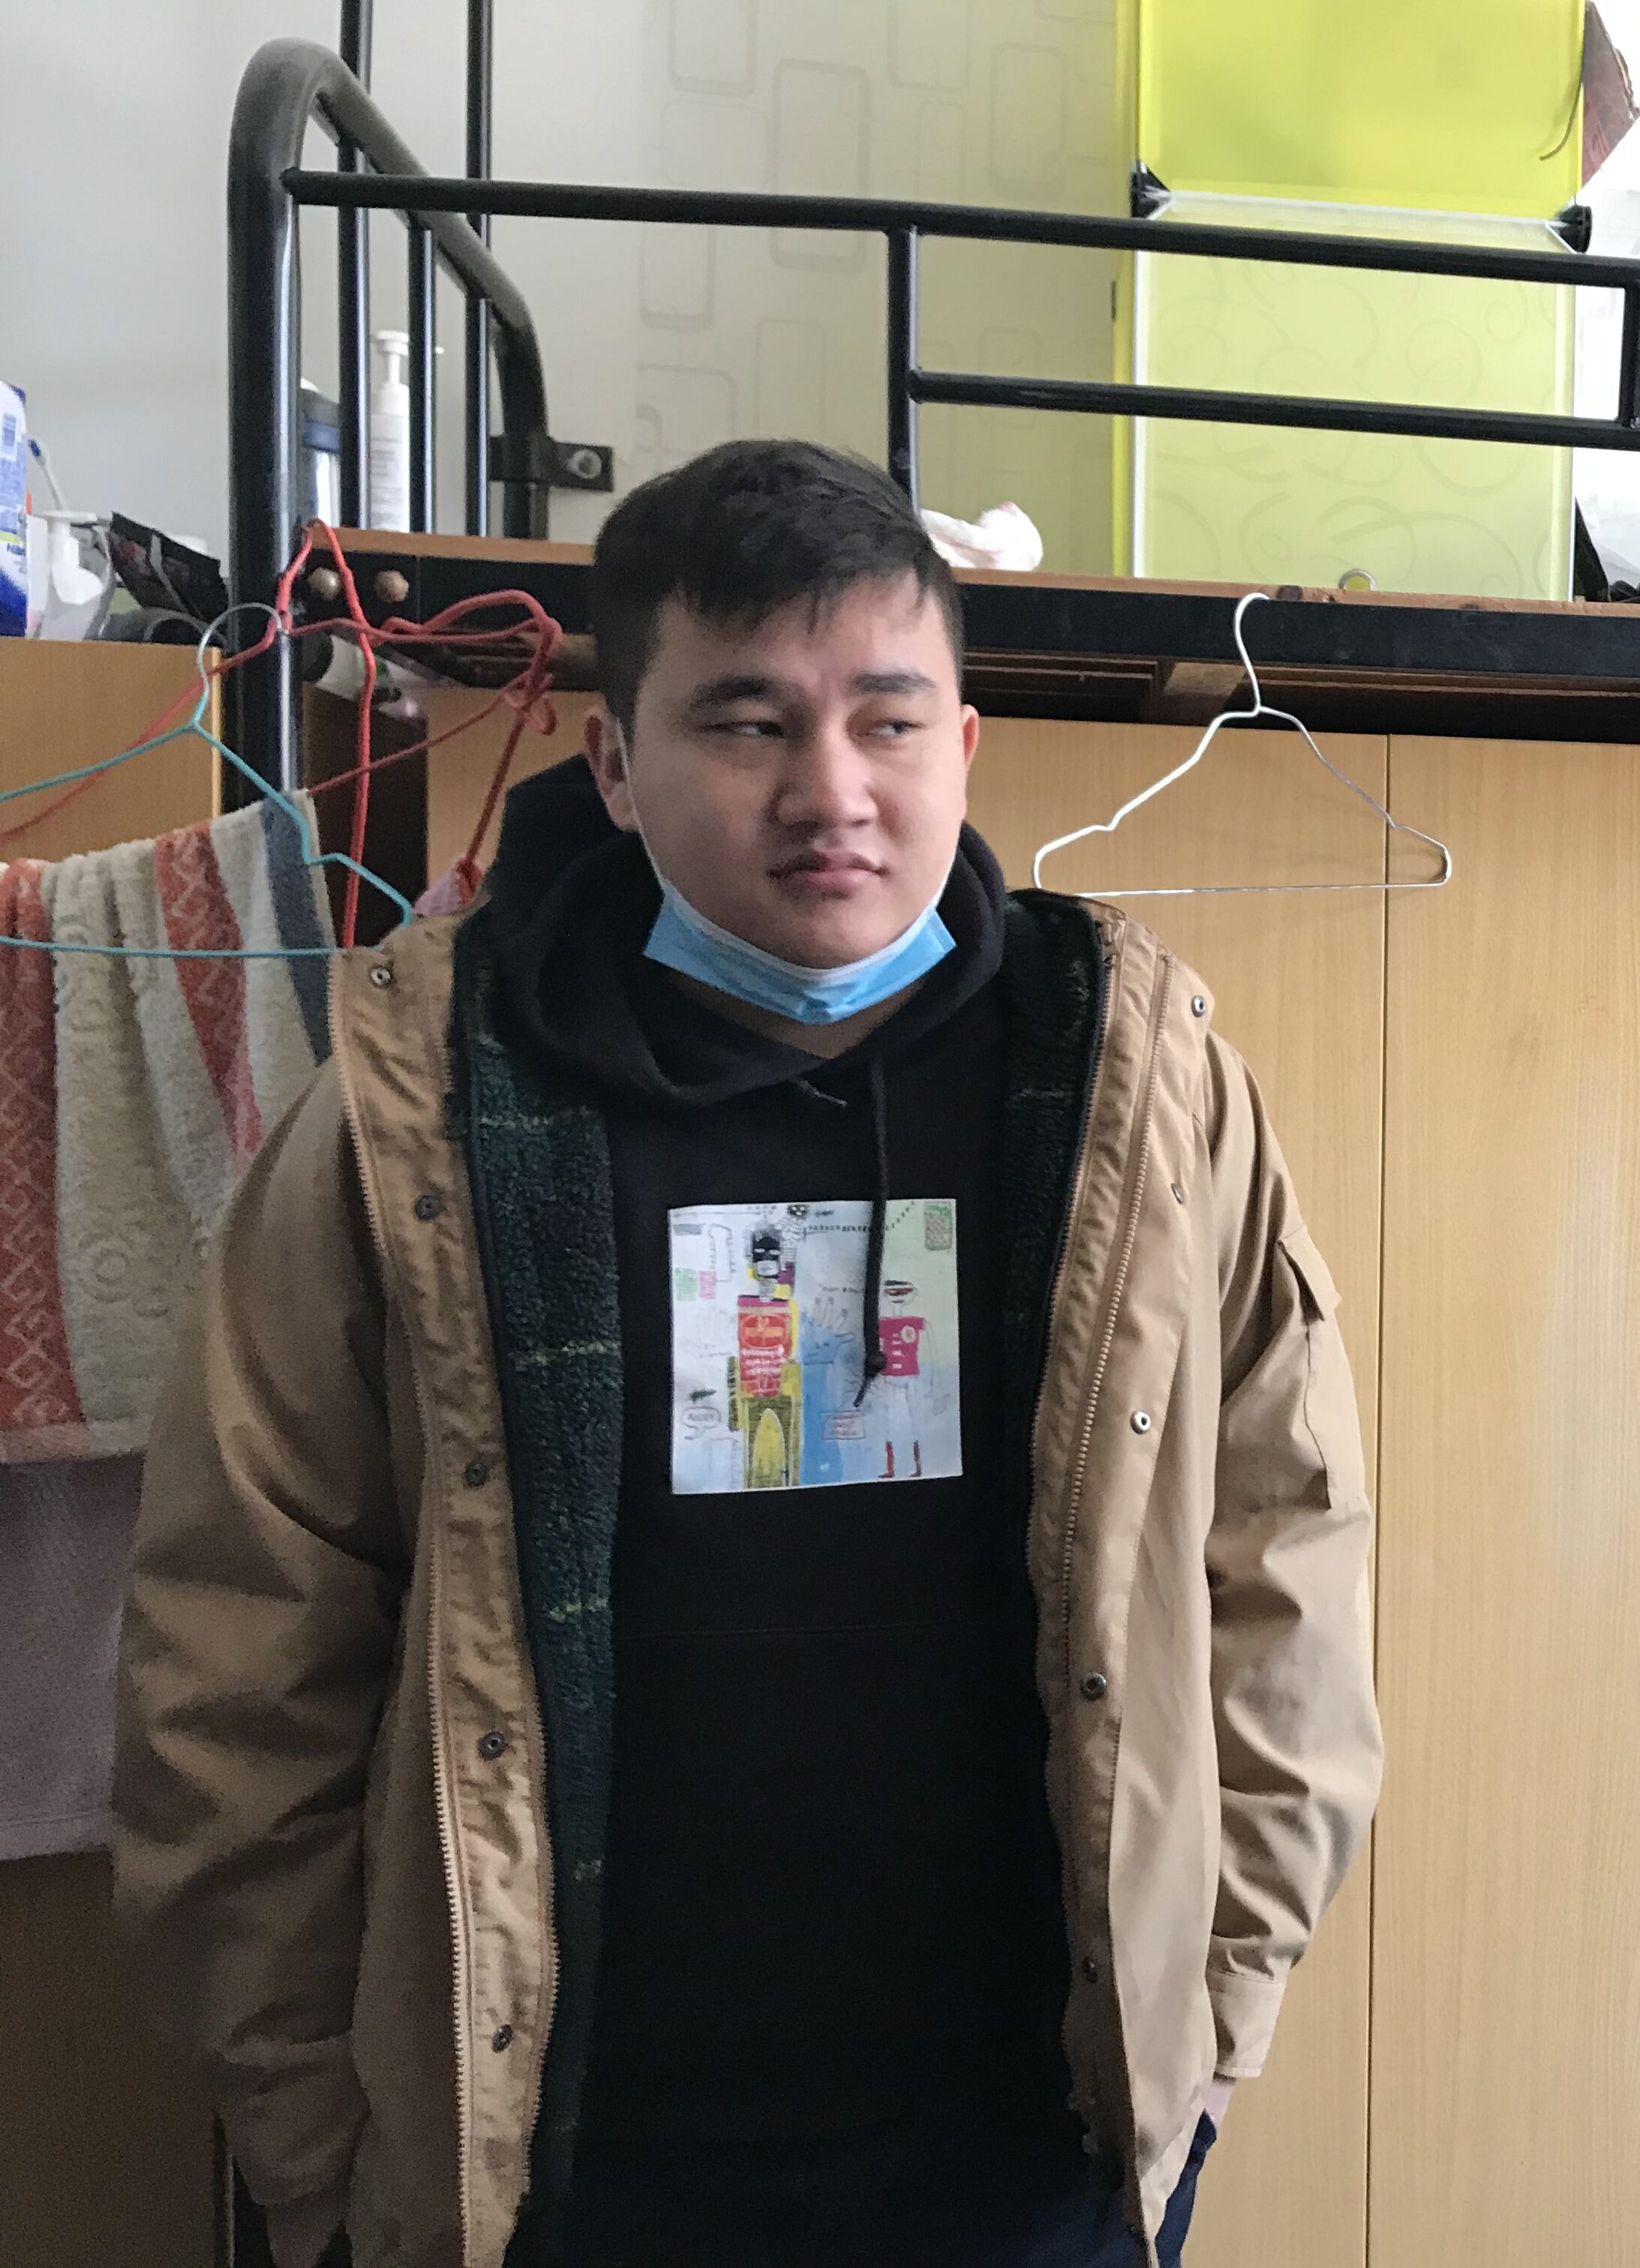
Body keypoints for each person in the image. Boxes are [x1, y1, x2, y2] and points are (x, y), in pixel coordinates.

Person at [112, 440, 1383, 2268]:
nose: (830, 792)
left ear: (966, 747)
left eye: (888, 720)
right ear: (615, 764)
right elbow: (239, 1645)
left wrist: (1213, 2015)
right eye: (747, 724)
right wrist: (334, 2152)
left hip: (1030, 2152)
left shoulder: (1137, 1087)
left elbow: (1290, 1564)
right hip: (562, 2167)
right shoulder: (419, 1115)